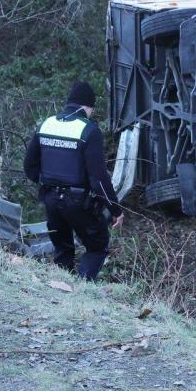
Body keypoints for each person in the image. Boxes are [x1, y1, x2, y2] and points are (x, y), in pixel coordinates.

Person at [23, 80, 124, 280]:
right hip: (79, 202)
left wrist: (46, 184)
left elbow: (29, 166)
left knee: (62, 247)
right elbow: (99, 179)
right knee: (97, 245)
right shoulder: (88, 131)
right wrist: (115, 210)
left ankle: (63, 292)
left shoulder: (47, 124)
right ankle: (83, 291)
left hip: (50, 200)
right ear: (88, 106)